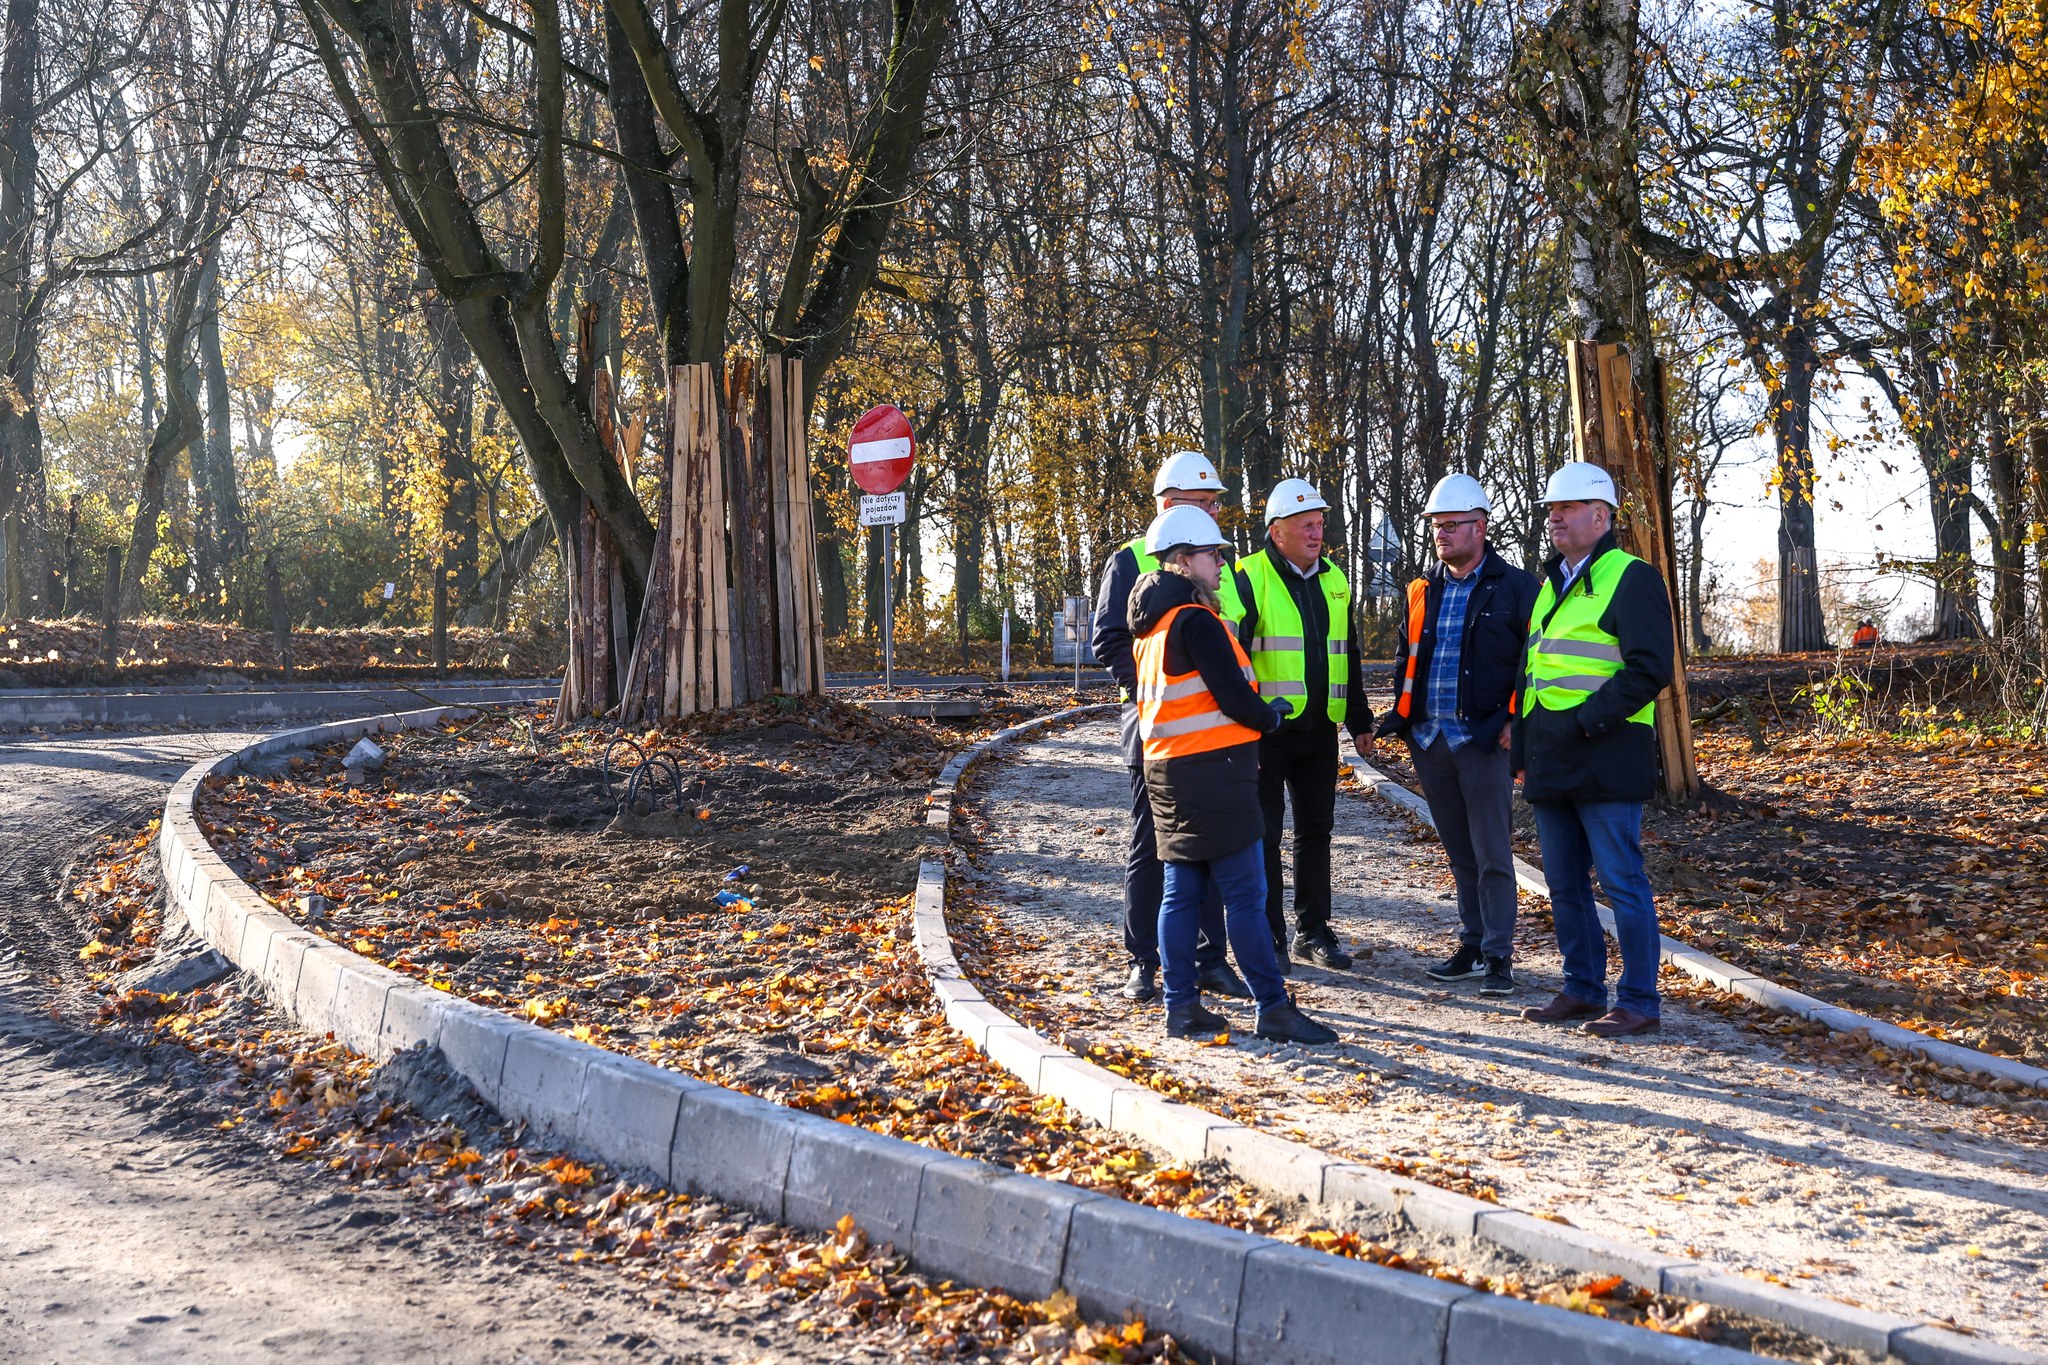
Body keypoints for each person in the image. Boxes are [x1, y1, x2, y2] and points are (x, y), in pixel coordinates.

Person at [1129, 504, 1339, 1045]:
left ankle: (1181, 1008)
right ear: (1183, 561)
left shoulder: (1152, 628)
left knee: (1180, 894)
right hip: (1217, 774)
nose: (1221, 563)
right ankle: (1274, 1007)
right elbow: (1233, 697)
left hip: (1168, 774)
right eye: (1211, 554)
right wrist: (1271, 716)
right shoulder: (1197, 621)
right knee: (1245, 896)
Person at [1513, 461, 1675, 1040]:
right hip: (1553, 757)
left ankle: (1639, 1001)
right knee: (1563, 882)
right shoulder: (1551, 582)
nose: (1553, 518)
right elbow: (1532, 669)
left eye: (1565, 509)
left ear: (1600, 516)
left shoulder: (1632, 578)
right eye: (1550, 511)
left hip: (1606, 754)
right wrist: (1522, 746)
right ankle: (1583, 988)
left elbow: (1649, 668)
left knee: (1621, 880)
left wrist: (1585, 721)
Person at [1091, 450, 1251, 1004]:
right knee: (1151, 844)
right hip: (1153, 731)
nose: (1210, 512)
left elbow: (1235, 635)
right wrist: (1156, 691)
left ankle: (1210, 958)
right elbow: (1109, 642)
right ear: (1167, 504)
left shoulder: (1220, 562)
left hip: (1215, 734)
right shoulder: (1130, 558)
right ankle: (1144, 961)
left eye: (1213, 503)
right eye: (1199, 502)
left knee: (1213, 843)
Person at [1376, 473, 1539, 997]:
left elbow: (1532, 665)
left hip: (1485, 739)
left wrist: (1516, 722)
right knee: (1458, 851)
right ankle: (1471, 945)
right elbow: (1408, 659)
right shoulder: (1423, 590)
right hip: (1430, 741)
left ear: (1481, 526)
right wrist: (1399, 718)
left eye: (1452, 526)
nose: (1442, 535)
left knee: (1493, 851)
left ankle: (1498, 956)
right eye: (1436, 527)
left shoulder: (1517, 588)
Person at [1231, 478, 1369, 974]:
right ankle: (1269, 934)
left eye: (1320, 525)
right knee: (1264, 834)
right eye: (1306, 525)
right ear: (1278, 530)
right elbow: (1230, 657)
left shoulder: (1335, 580)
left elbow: (1347, 654)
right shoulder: (1246, 578)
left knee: (1317, 830)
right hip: (1266, 733)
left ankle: (1313, 931)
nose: (1317, 533)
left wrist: (1359, 719)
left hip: (1319, 732)